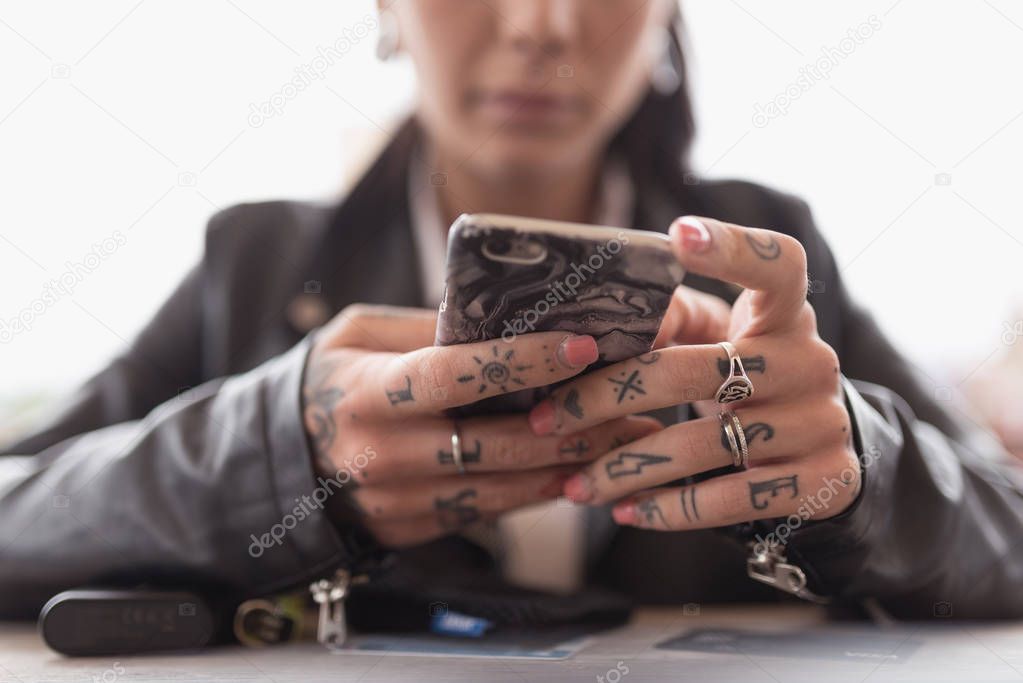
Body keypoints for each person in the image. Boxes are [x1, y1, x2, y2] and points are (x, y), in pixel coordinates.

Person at [3, 0, 1022, 622]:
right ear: (385, 7)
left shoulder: (776, 253)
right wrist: (277, 451)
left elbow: (1006, 524)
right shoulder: (254, 262)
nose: (542, 24)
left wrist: (860, 477)